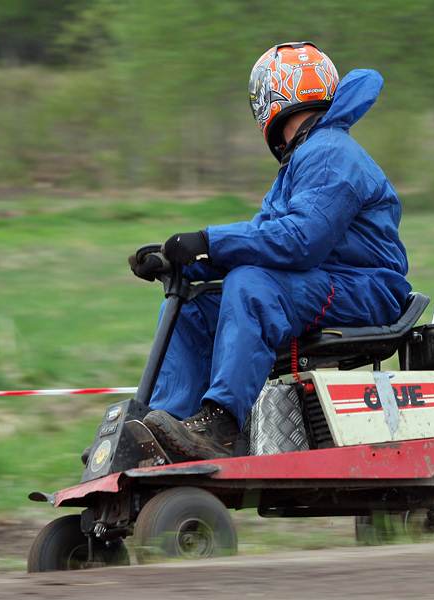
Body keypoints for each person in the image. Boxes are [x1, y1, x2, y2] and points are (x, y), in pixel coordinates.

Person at [128, 42, 411, 461]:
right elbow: (264, 242)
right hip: (321, 284)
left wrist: (208, 240)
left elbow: (300, 242)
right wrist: (184, 266)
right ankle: (171, 427)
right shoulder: (304, 158)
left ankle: (221, 426)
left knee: (252, 286)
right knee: (193, 306)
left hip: (365, 290)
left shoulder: (331, 153)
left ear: (269, 100)